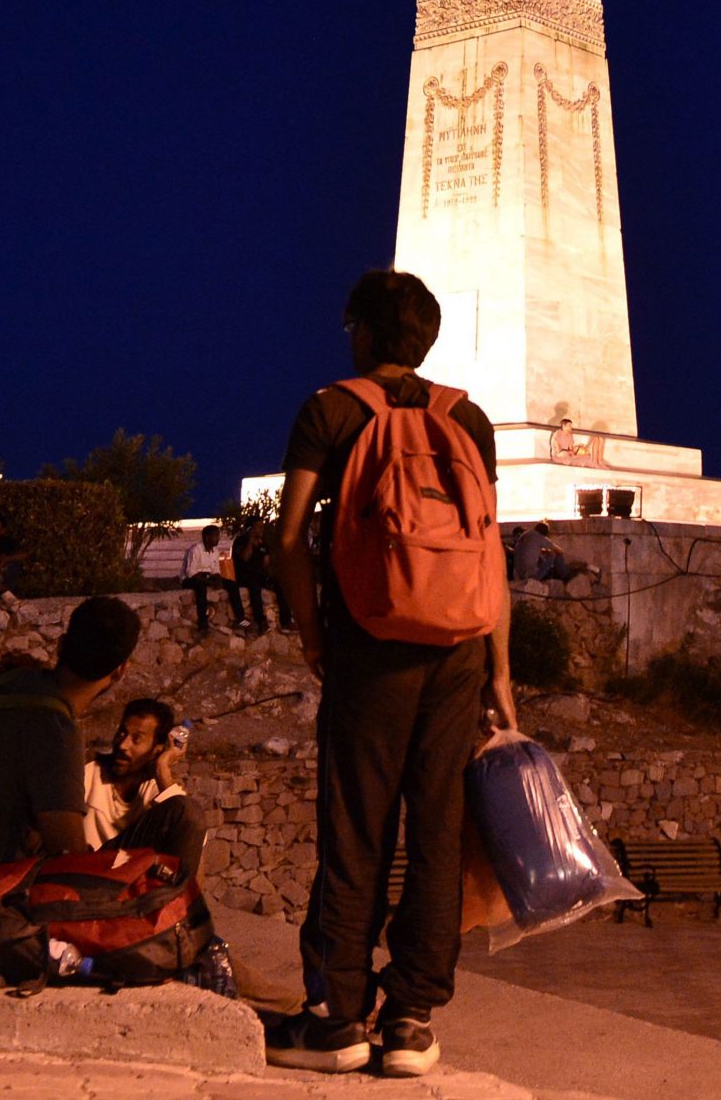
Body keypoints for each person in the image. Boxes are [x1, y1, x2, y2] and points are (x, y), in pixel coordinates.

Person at [266, 270, 512, 1079]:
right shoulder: (467, 417)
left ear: (362, 333)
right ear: (428, 339)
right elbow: (489, 552)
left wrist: (312, 638)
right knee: (437, 828)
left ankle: (335, 1017)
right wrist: (500, 675)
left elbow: (291, 537)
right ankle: (410, 1017)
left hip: (370, 641)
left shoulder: (331, 409)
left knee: (355, 825)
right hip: (460, 647)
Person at [0, 597, 143, 880]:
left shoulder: (11, 684)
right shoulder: (55, 730)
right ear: (121, 671)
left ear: (61, 644)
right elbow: (68, 853)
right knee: (177, 817)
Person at [79, 698, 207, 878]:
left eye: (136, 739)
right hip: (86, 871)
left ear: (157, 749)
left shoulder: (155, 787)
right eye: (122, 734)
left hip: (127, 879)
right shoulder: (88, 774)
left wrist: (162, 767)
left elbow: (190, 831)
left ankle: (182, 904)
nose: (123, 745)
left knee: (192, 835)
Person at [183, 523, 247, 635]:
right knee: (201, 589)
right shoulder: (196, 550)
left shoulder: (215, 551)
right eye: (215, 536)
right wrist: (209, 582)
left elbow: (215, 570)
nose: (218, 538)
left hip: (207, 577)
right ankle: (202, 624)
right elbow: (191, 572)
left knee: (232, 585)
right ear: (207, 538)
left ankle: (241, 618)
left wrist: (218, 580)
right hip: (192, 578)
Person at [232, 517, 291, 636]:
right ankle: (260, 620)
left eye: (262, 526)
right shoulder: (240, 541)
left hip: (259, 575)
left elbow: (266, 563)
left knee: (281, 585)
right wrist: (250, 540)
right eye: (258, 527)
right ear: (250, 528)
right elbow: (245, 557)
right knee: (255, 587)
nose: (261, 529)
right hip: (245, 576)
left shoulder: (262, 543)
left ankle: (286, 621)